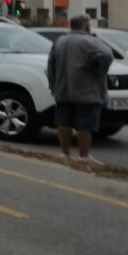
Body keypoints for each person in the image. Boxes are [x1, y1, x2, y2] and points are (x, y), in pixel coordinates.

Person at [46, 14, 114, 164]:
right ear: (85, 25)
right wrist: (100, 71)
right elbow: (107, 55)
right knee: (85, 124)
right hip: (87, 91)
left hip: (63, 89)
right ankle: (83, 156)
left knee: (64, 122)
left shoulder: (60, 41)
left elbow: (51, 65)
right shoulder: (90, 41)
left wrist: (53, 85)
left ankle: (64, 153)